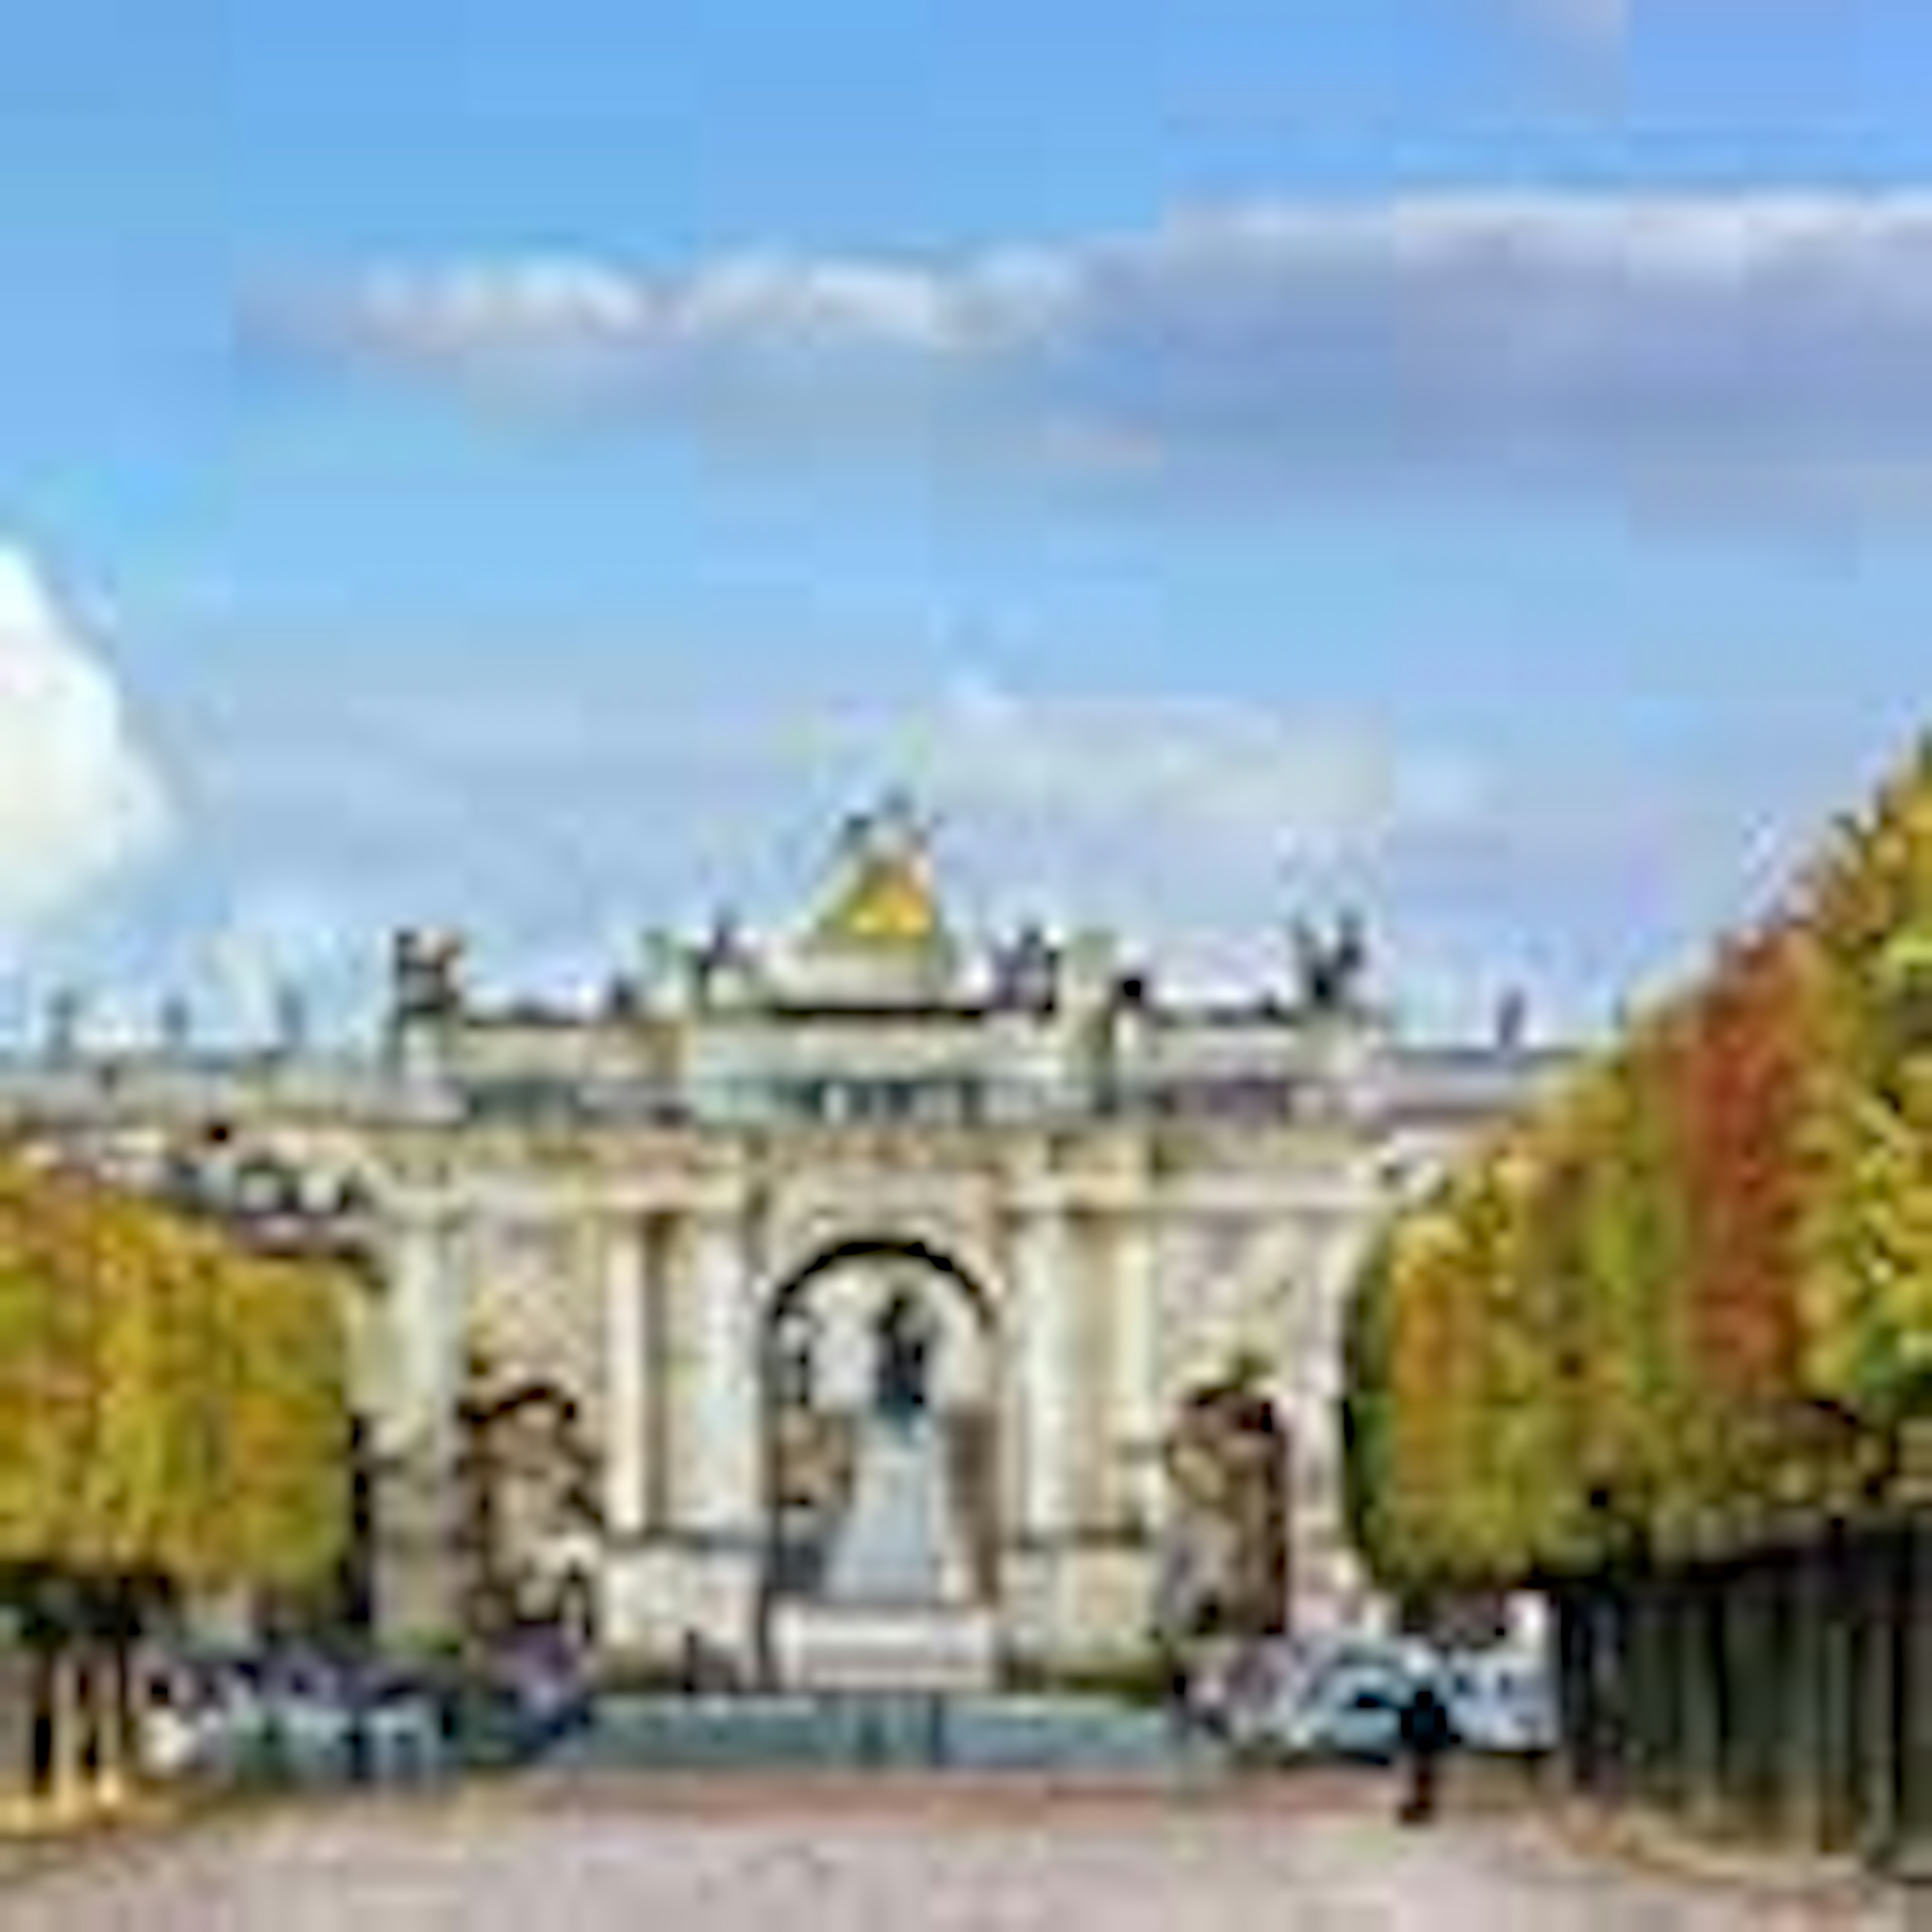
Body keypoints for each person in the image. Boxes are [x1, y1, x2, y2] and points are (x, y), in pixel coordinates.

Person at [1396, 1678, 1456, 1824]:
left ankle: (1422, 1805)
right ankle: (1422, 1805)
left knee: (1423, 1778)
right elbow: (1444, 1727)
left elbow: (1405, 1727)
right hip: (1423, 1747)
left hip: (1423, 1747)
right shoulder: (1432, 1709)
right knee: (1423, 1778)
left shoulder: (1419, 1709)